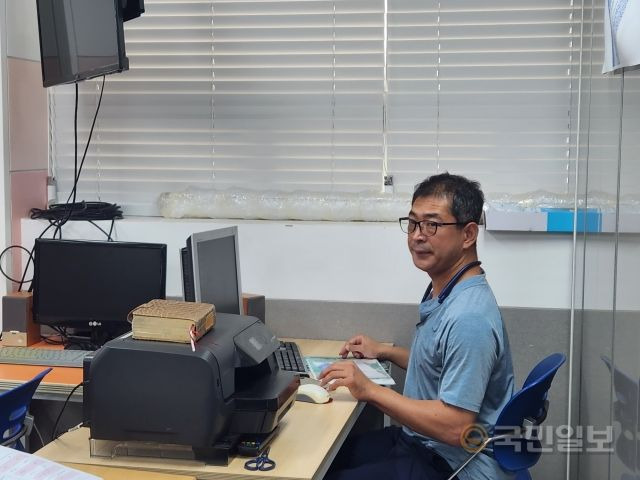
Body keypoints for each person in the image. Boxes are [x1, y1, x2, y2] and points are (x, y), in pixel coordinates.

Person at [319, 173, 515, 480]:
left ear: (468, 234)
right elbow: (443, 366)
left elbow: (455, 427)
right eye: (412, 223)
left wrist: (368, 389)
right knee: (323, 459)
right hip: (423, 444)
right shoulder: (448, 289)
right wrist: (386, 351)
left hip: (453, 464)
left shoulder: (469, 317)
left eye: (432, 225)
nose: (417, 236)